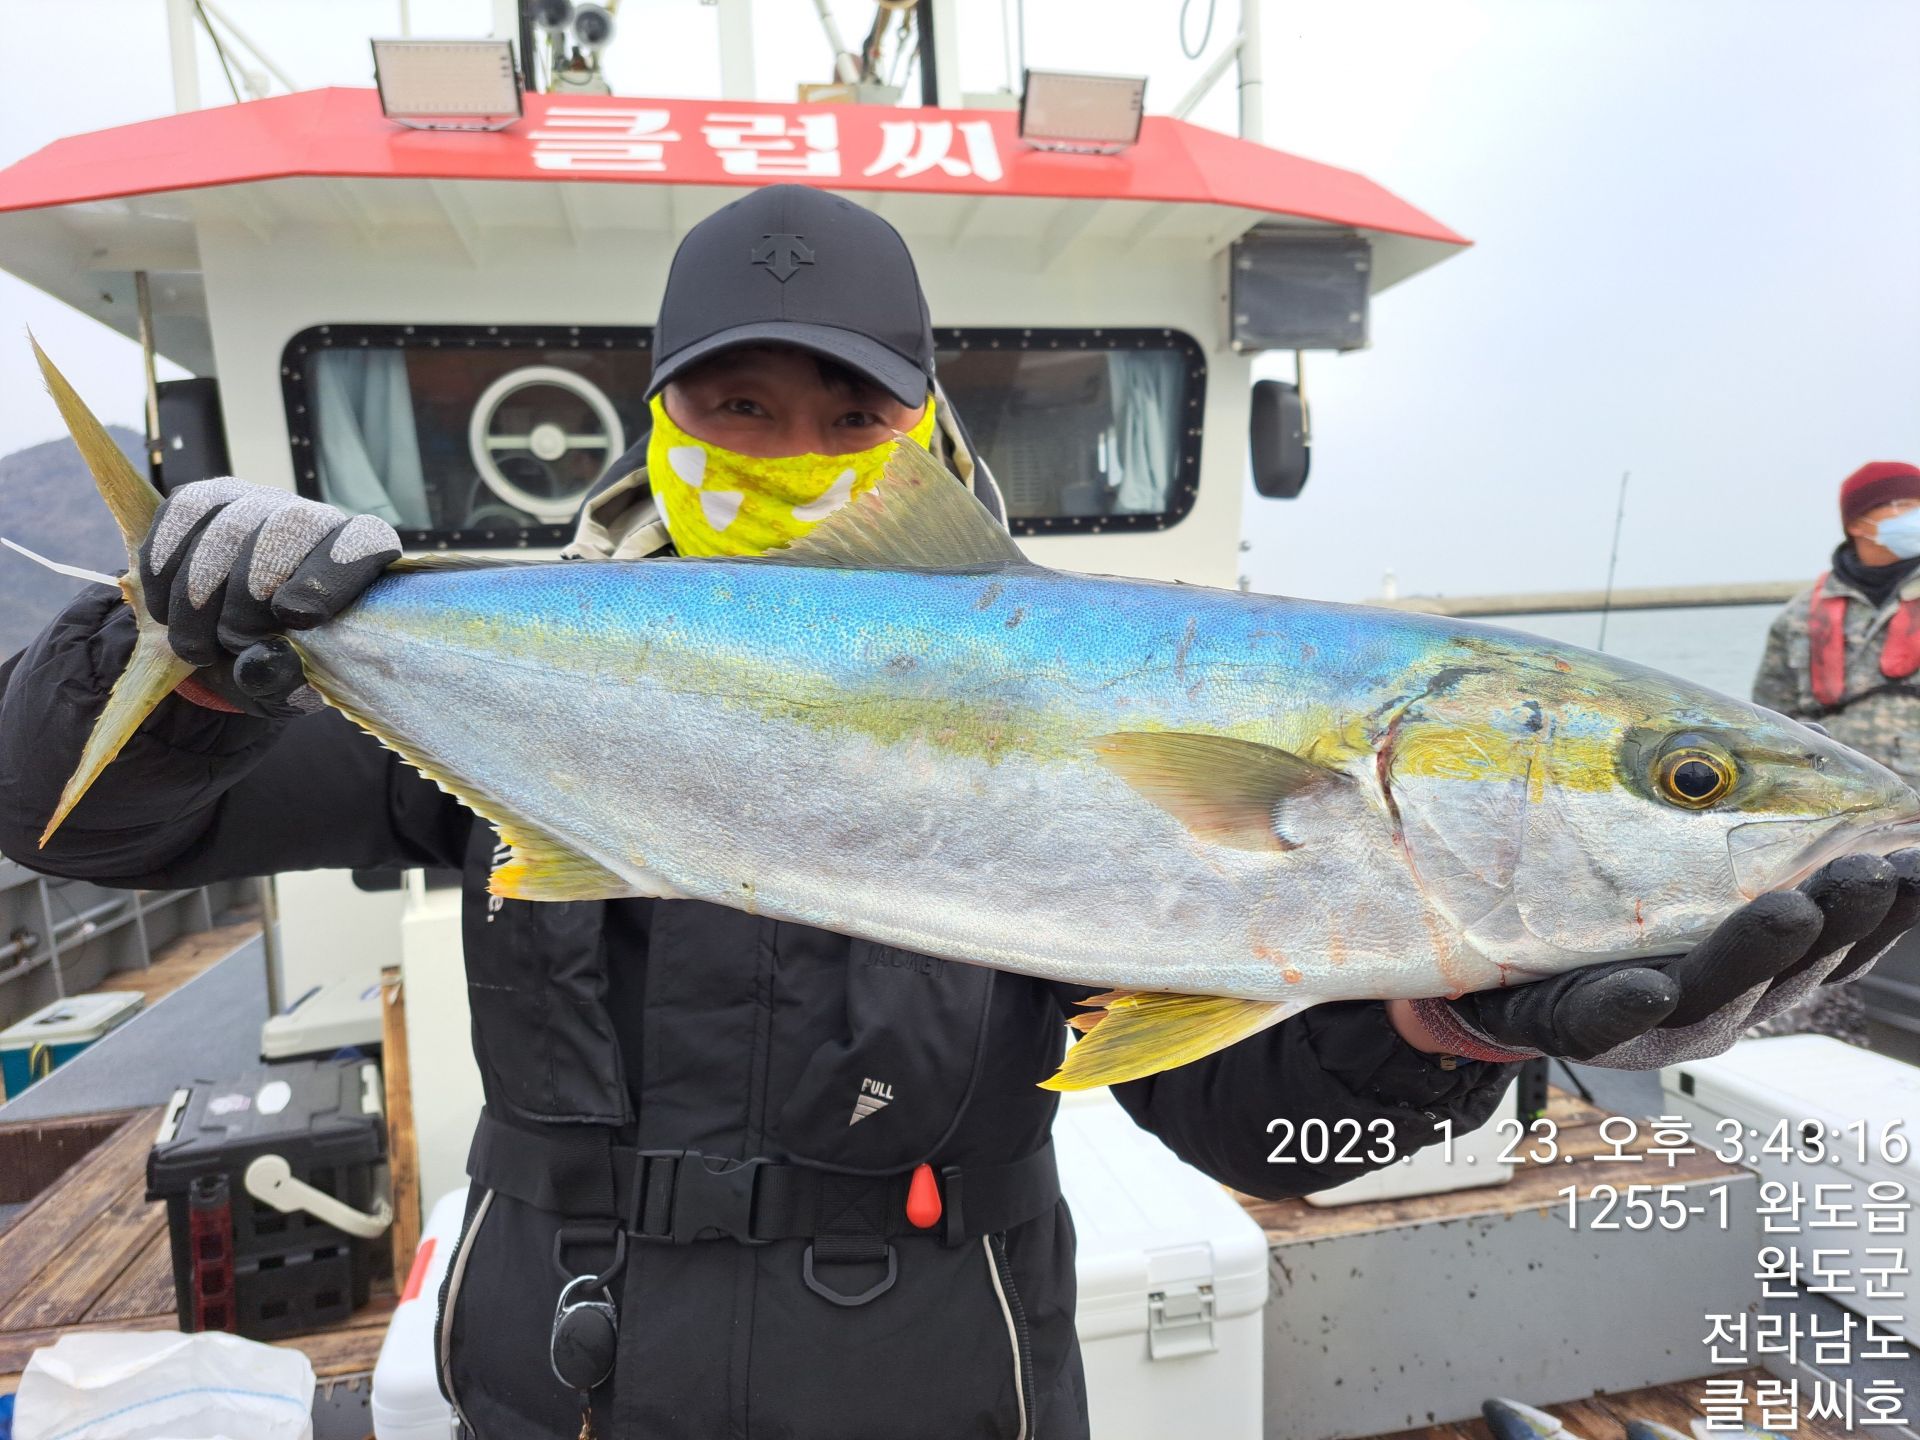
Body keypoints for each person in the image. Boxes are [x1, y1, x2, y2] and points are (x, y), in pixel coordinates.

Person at [2, 185, 1914, 1440]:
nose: (794, 451)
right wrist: (163, 645)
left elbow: (1267, 1127)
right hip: (557, 1374)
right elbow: (83, 833)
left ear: (920, 433)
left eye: (844, 415)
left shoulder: (1250, 800)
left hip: (939, 1379)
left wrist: (1435, 1034)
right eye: (736, 407)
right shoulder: (525, 678)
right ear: (657, 420)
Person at [1750, 459, 1920, 1044]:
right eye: (1901, 509)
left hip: (1917, 812)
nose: (1913, 519)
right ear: (1862, 522)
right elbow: (1765, 725)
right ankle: (1826, 1034)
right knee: (1830, 930)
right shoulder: (1801, 615)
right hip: (1833, 822)